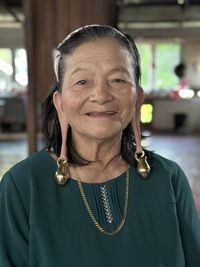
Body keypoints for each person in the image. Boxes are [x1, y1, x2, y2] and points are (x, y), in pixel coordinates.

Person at [0, 25, 200, 267]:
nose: (101, 94)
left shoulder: (169, 179)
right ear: (60, 102)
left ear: (137, 98)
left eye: (117, 79)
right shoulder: (22, 186)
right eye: (82, 81)